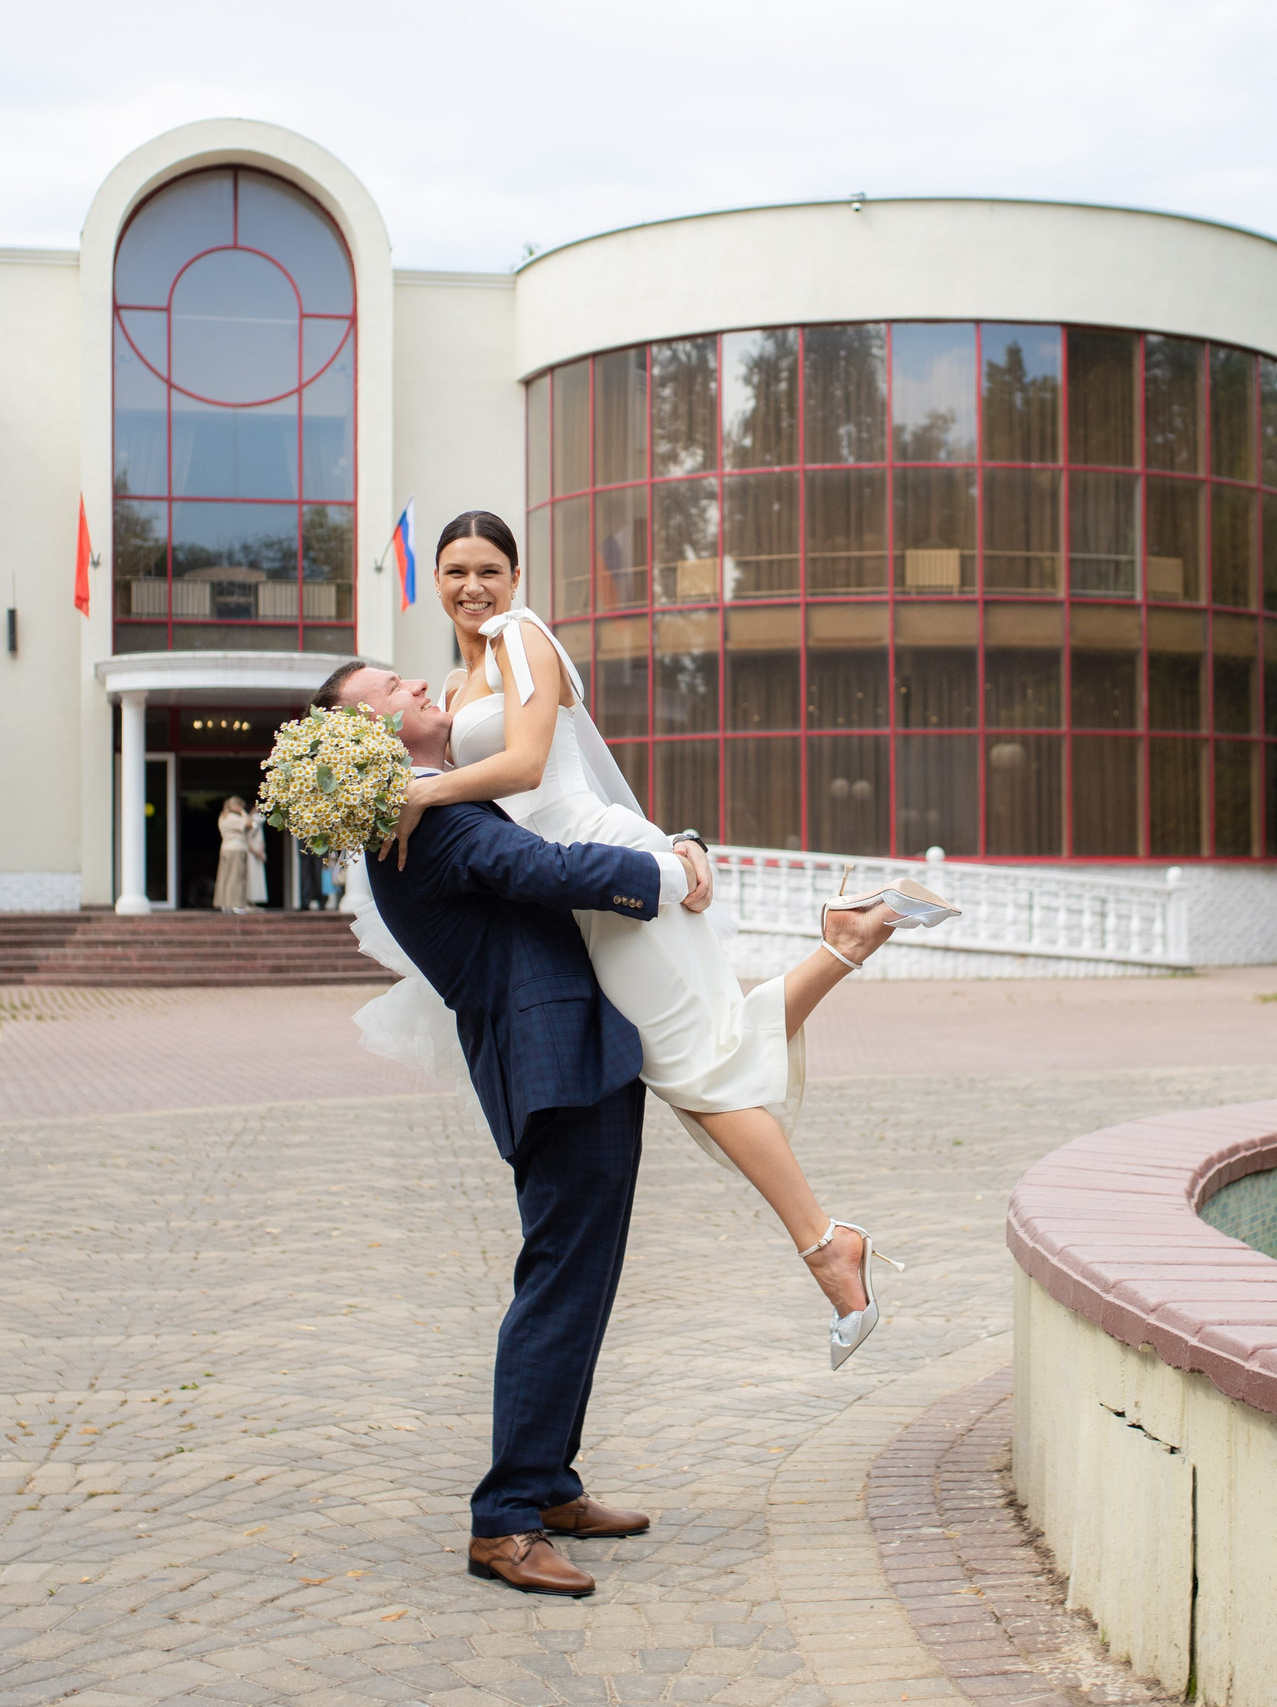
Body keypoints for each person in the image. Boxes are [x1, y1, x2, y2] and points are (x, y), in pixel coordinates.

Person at [364, 511, 962, 1366]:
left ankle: (829, 1245)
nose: (473, 587)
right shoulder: (453, 690)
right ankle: (846, 939)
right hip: (573, 893)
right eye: (456, 570)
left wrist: (422, 794)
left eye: (490, 569)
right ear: (434, 579)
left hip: (603, 860)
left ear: (516, 577)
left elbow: (530, 766)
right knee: (699, 1050)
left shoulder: (521, 638)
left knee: (692, 1067)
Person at [330, 661, 717, 1597]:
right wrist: (673, 868)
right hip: (555, 1065)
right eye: (391, 687)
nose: (418, 682)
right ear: (370, 735)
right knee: (558, 1282)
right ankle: (504, 1520)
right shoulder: (428, 820)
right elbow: (548, 871)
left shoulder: (430, 808)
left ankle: (547, 1486)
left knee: (578, 1278)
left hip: (567, 1056)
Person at [214, 796, 257, 913]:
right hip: (236, 849)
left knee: (225, 877)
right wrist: (244, 813)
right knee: (236, 877)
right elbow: (249, 824)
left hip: (225, 848)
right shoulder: (234, 818)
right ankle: (235, 904)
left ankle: (225, 904)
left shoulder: (223, 817)